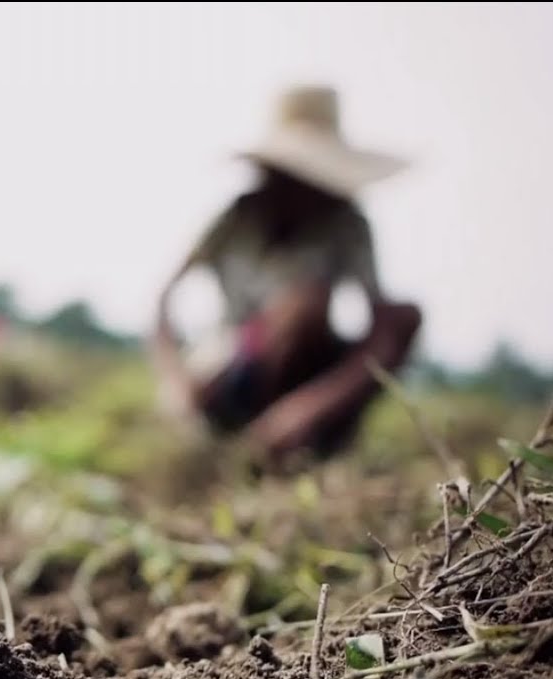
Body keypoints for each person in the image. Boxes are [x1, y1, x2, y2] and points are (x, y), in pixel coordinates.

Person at [151, 85, 422, 469]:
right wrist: (175, 380)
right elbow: (165, 294)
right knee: (300, 306)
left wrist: (307, 408)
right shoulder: (238, 216)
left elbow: (385, 328)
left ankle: (303, 435)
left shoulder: (346, 224)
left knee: (377, 313)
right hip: (232, 368)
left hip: (307, 374)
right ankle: (241, 433)